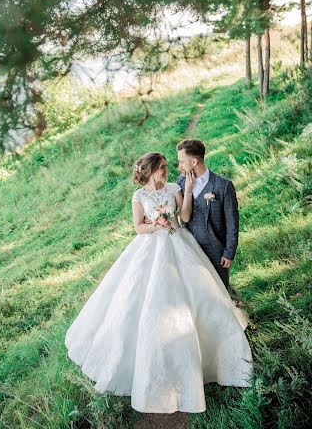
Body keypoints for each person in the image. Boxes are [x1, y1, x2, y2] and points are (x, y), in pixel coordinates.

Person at [65, 152, 252, 414]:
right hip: (150, 246)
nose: (167, 171)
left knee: (199, 292)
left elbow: (184, 217)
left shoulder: (175, 187)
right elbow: (138, 227)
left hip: (180, 242)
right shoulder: (139, 196)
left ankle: (211, 353)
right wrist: (158, 224)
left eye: (166, 166)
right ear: (151, 170)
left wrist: (186, 192)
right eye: (163, 167)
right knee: (138, 297)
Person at [176, 139, 239, 292]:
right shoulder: (181, 182)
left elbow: (232, 222)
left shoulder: (222, 186)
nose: (179, 166)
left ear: (194, 162)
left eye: (182, 162)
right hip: (190, 247)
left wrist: (229, 252)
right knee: (197, 292)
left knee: (221, 290)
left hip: (216, 249)